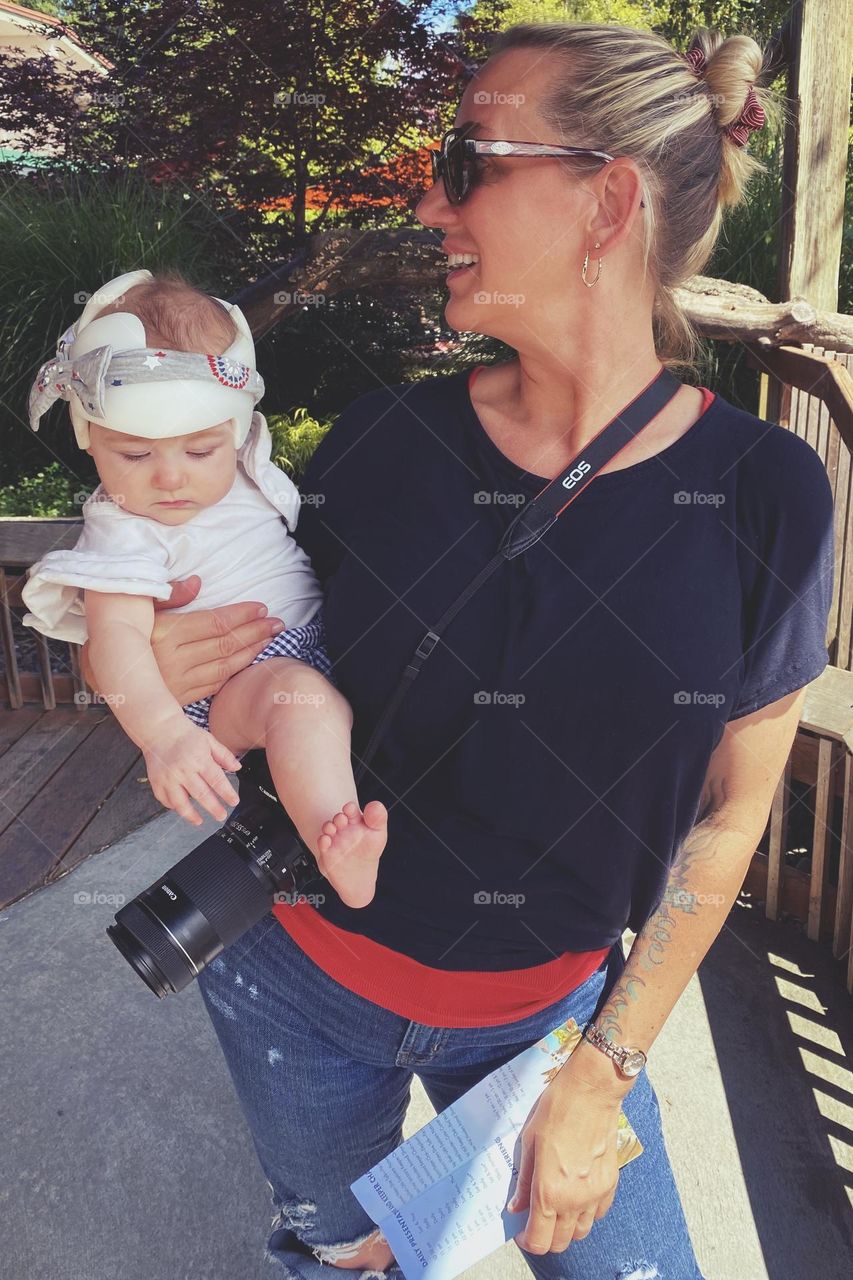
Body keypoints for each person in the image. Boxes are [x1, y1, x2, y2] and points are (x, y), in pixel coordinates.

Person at [82, 21, 836, 1280]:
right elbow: (268, 674)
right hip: (289, 982)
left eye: (464, 158)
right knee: (336, 1258)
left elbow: (727, 815)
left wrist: (605, 1070)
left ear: (605, 201)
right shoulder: (376, 443)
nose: (427, 199)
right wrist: (172, 673)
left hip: (548, 1026)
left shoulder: (766, 494)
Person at [24, 269, 388, 909]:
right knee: (298, 701)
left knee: (315, 706)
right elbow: (116, 640)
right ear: (90, 440)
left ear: (238, 430)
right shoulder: (124, 530)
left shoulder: (247, 471)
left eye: (199, 451)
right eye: (134, 456)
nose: (171, 478)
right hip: (235, 684)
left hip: (320, 643)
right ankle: (340, 846)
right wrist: (163, 734)